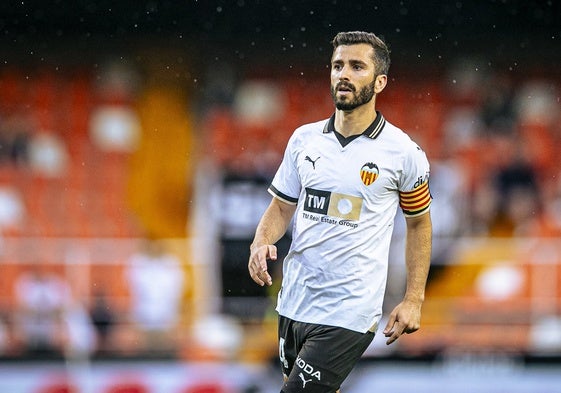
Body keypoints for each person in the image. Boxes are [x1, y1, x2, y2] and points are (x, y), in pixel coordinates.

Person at [248, 31, 433, 393]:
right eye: (337, 66)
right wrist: (260, 242)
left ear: (380, 82)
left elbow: (419, 225)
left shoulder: (402, 153)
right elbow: (282, 205)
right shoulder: (304, 139)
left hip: (350, 311)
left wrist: (413, 300)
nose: (343, 74)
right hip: (294, 302)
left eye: (356, 66)